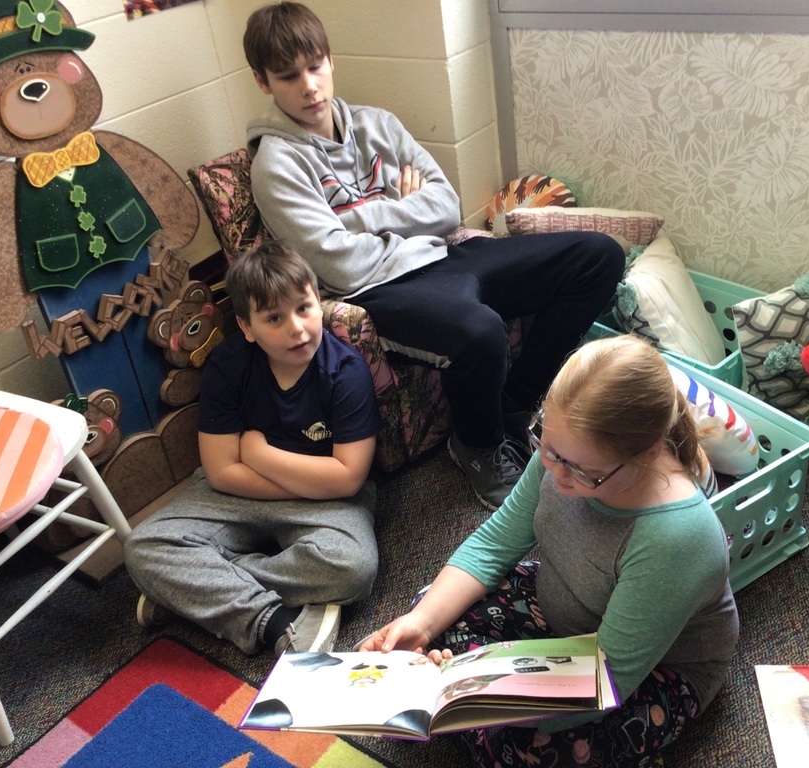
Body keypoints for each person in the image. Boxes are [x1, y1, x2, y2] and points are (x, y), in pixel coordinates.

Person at [242, 3, 625, 510]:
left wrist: (366, 216)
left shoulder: (377, 124)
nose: (309, 87)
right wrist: (400, 206)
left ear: (331, 61)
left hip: (443, 257)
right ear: (263, 82)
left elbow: (445, 209)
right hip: (378, 290)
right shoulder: (275, 164)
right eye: (289, 77)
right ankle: (477, 446)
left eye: (315, 67)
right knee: (480, 329)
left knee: (597, 254)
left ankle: (514, 404)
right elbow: (337, 264)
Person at [359, 335, 740, 767]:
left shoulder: (678, 537)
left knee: (537, 750)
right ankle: (465, 710)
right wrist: (422, 623)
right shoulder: (566, 448)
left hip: (649, 670)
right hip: (564, 605)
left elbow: (604, 678)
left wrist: (465, 693)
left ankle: (465, 718)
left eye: (581, 471)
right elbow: (495, 542)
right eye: (547, 446)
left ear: (648, 454)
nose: (556, 473)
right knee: (426, 616)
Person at [123, 240, 381, 656]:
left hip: (328, 501)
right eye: (274, 318)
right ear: (247, 327)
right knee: (143, 547)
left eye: (304, 308)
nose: (296, 328)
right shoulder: (229, 364)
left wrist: (259, 455)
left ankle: (197, 589)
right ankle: (272, 621)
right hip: (239, 491)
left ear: (319, 303)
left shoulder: (345, 371)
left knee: (352, 568)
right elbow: (222, 472)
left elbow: (349, 477)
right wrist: (306, 480)